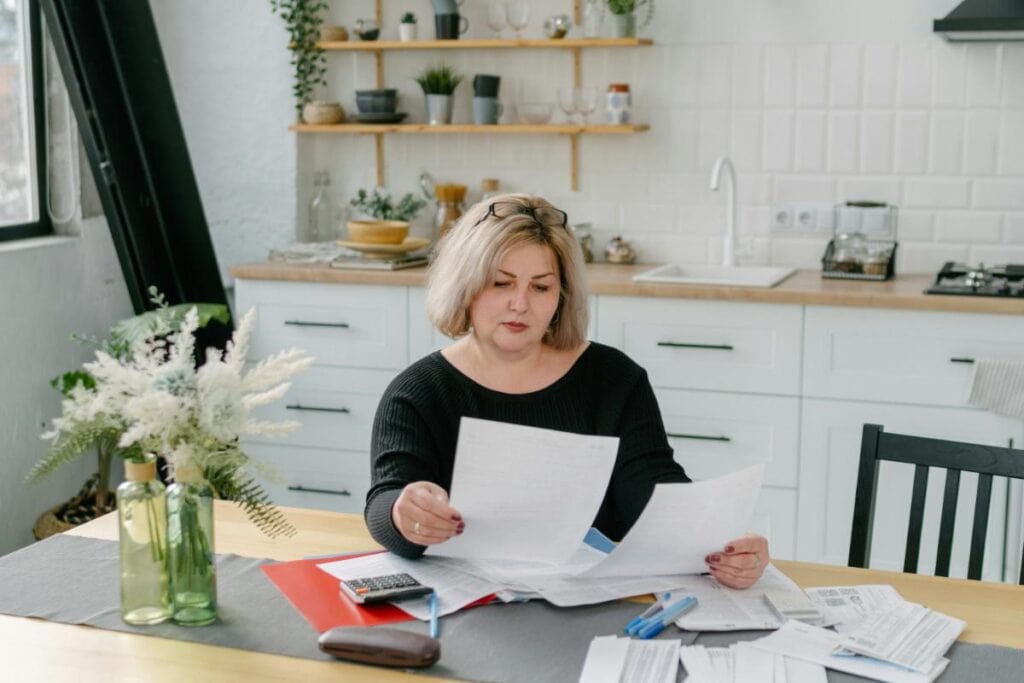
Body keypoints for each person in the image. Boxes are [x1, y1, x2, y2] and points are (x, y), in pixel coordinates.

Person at [364, 193, 770, 589]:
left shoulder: (614, 379)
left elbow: (654, 493)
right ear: (464, 286)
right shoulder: (416, 393)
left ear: (562, 296)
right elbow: (385, 503)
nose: (520, 304)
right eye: (501, 283)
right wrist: (404, 514)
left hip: (590, 600)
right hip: (468, 602)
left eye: (541, 287)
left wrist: (724, 545)